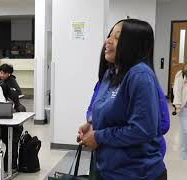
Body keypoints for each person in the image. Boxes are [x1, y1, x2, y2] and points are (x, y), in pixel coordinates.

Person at [77, 19, 167, 180]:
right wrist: (92, 124)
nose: (108, 41)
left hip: (138, 174)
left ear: (134, 45)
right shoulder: (110, 74)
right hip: (108, 170)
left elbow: (142, 130)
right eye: (109, 35)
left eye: (117, 37)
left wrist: (99, 136)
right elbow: (110, 110)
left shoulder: (140, 76)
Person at [173, 63, 187, 160]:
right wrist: (177, 105)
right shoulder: (181, 74)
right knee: (185, 131)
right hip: (184, 107)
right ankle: (184, 153)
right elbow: (177, 90)